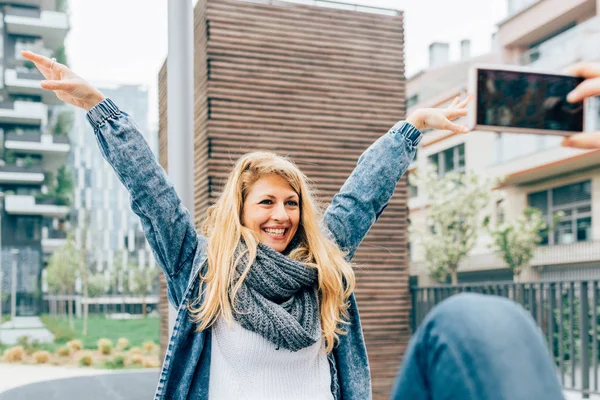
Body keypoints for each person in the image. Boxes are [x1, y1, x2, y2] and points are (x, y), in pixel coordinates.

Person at [22, 49, 565, 400]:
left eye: (291, 203)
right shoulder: (203, 269)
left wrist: (411, 129)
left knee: (473, 323)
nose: (280, 216)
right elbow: (152, 193)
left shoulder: (322, 264)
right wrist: (98, 106)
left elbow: (361, 195)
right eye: (265, 204)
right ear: (241, 210)